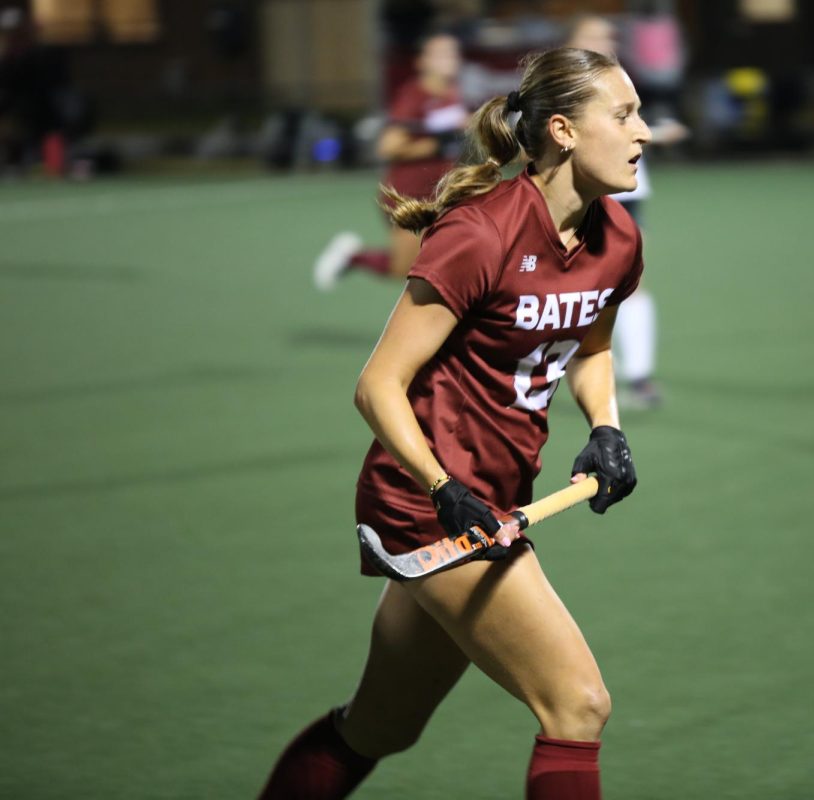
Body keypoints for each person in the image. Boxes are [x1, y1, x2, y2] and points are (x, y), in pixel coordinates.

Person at [260, 45, 649, 800]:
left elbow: (590, 343)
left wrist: (605, 425)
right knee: (577, 704)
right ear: (564, 131)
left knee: (380, 729)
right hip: (424, 506)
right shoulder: (481, 233)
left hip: (490, 501)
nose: (644, 133)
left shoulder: (618, 239)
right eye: (625, 115)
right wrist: (443, 490)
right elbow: (378, 386)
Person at [566, 14, 684, 409]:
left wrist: (655, 131)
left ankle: (640, 377)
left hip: (626, 191)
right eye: (592, 35)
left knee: (632, 282)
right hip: (581, 192)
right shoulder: (565, 83)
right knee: (575, 285)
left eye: (606, 35)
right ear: (574, 42)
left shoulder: (620, 79)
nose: (602, 41)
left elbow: (631, 126)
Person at [313, 32, 468, 289]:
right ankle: (352, 256)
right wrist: (436, 144)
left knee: (452, 261)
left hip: (440, 194)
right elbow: (388, 147)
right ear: (422, 62)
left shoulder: (451, 93)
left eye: (452, 52)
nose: (449, 58)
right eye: (440, 53)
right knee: (404, 269)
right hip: (408, 196)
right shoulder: (414, 96)